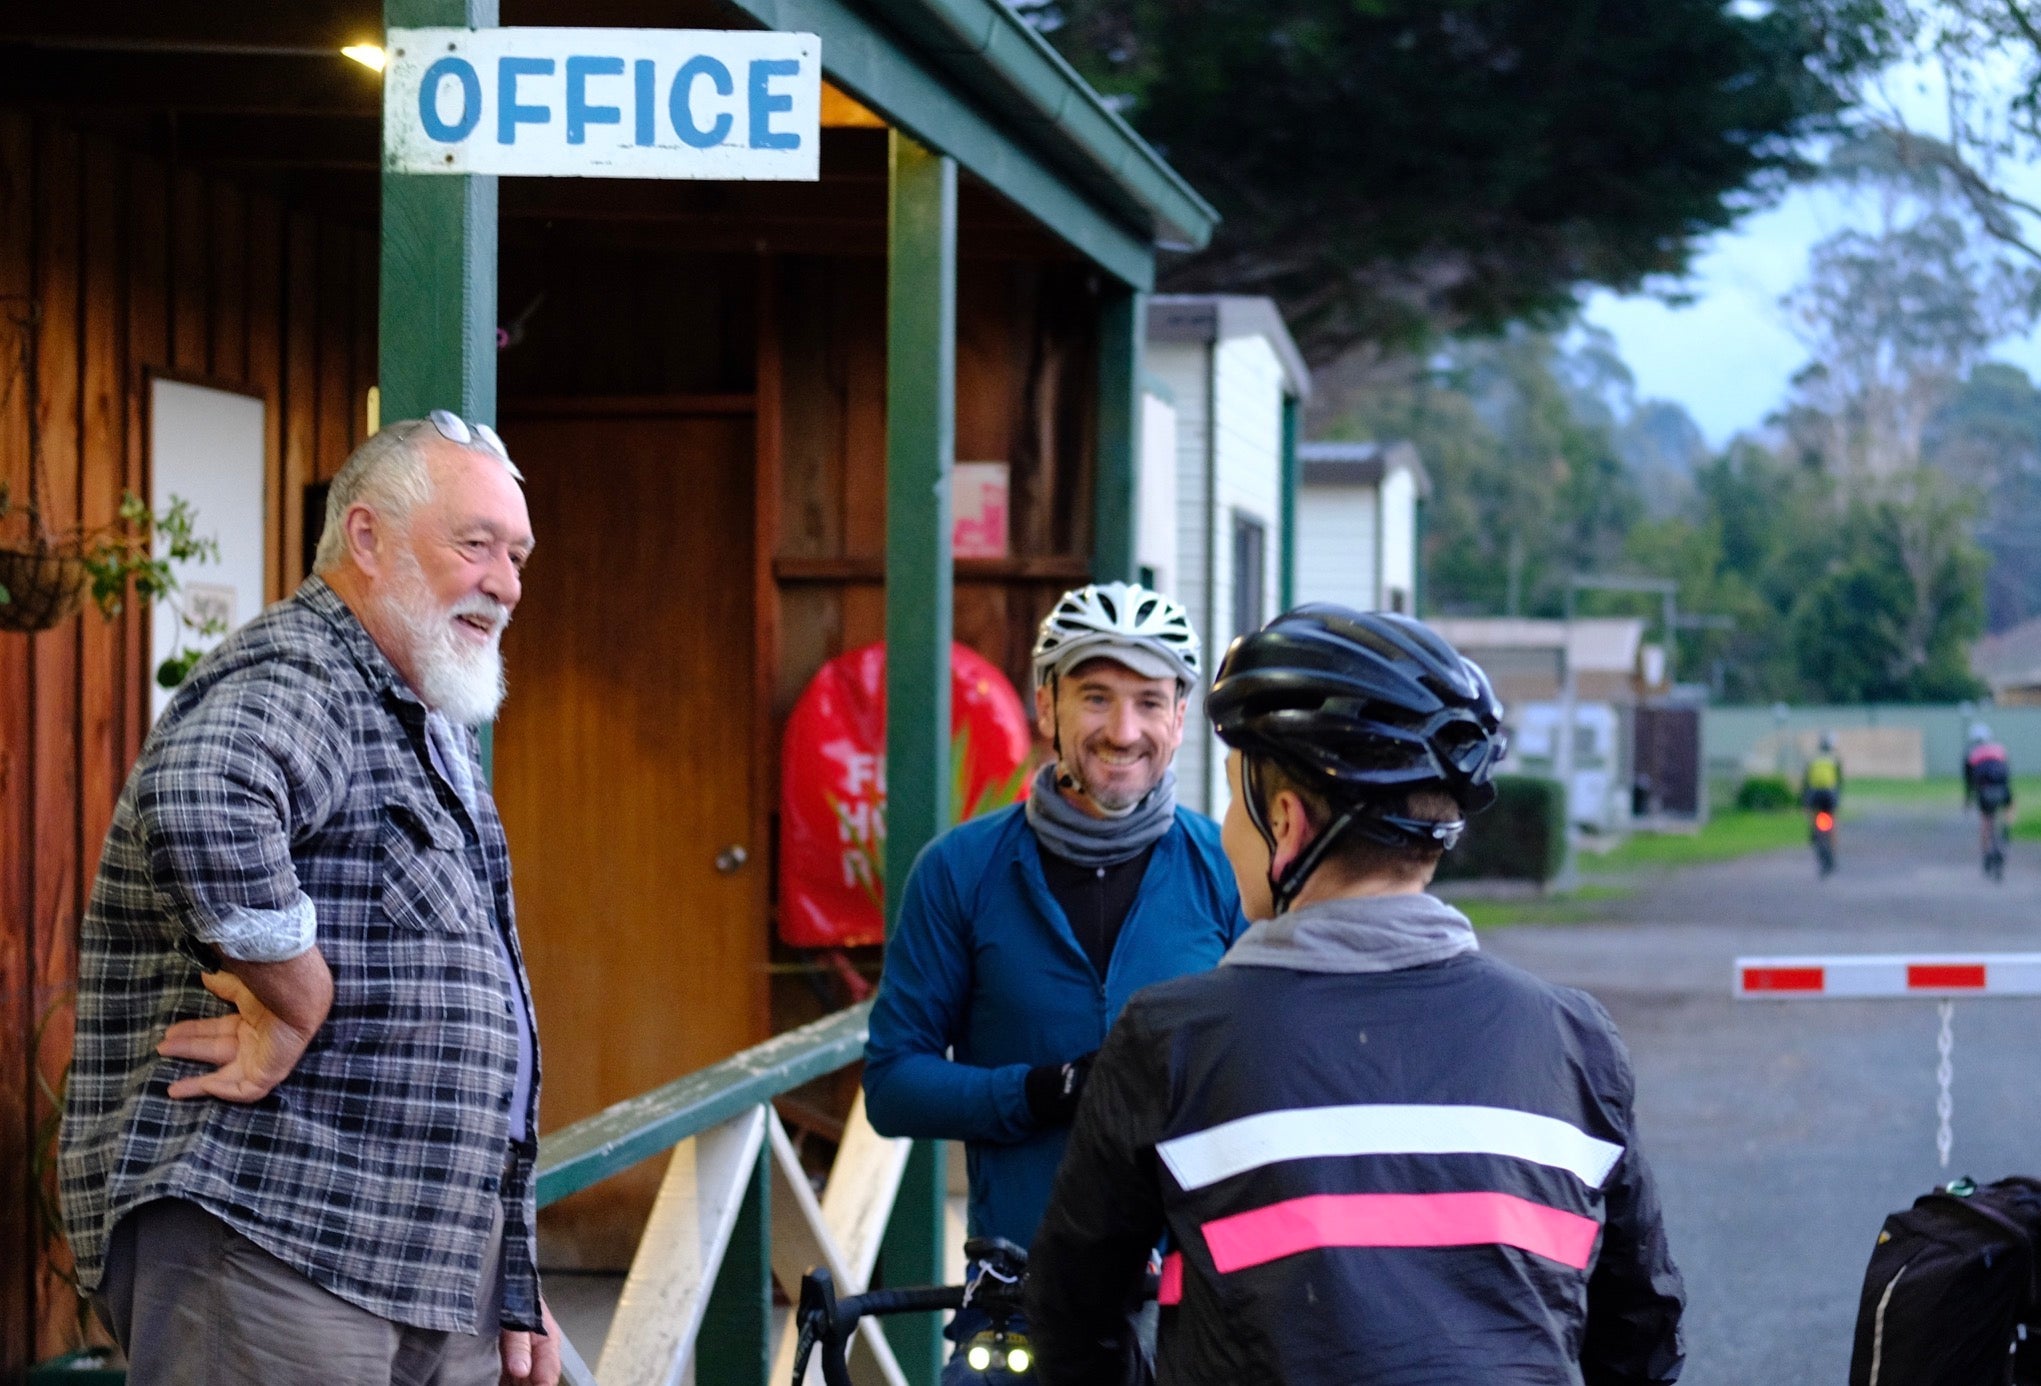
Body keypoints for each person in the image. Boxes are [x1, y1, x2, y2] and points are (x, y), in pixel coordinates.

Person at [1027, 606, 1686, 1386]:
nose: (1229, 827)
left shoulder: (1173, 1040)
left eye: (1240, 804)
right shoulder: (1573, 1041)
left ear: (1285, 823)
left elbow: (1073, 1320)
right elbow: (1640, 1330)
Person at [60, 413, 562, 1386]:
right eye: (476, 545)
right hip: (274, 1234)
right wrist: (297, 1000)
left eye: (517, 555)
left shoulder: (415, 704)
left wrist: (509, 1267)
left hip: (418, 1262)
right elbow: (207, 794)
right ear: (366, 539)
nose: (504, 583)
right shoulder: (308, 668)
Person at [863, 581, 1249, 1381]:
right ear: (1048, 705)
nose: (1122, 730)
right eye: (1095, 697)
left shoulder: (1228, 872)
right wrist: (1042, 1091)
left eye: (1149, 701)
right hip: (1019, 1298)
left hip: (1194, 1298)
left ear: (1181, 717)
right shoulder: (960, 871)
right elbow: (892, 1085)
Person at [1963, 722, 2014, 876]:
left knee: (1985, 821)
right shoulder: (1999, 749)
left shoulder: (1971, 753)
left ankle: (1986, 854)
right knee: (2009, 804)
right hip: (2002, 789)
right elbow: (2007, 772)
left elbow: (1969, 782)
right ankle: (2007, 825)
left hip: (1985, 792)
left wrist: (1968, 799)